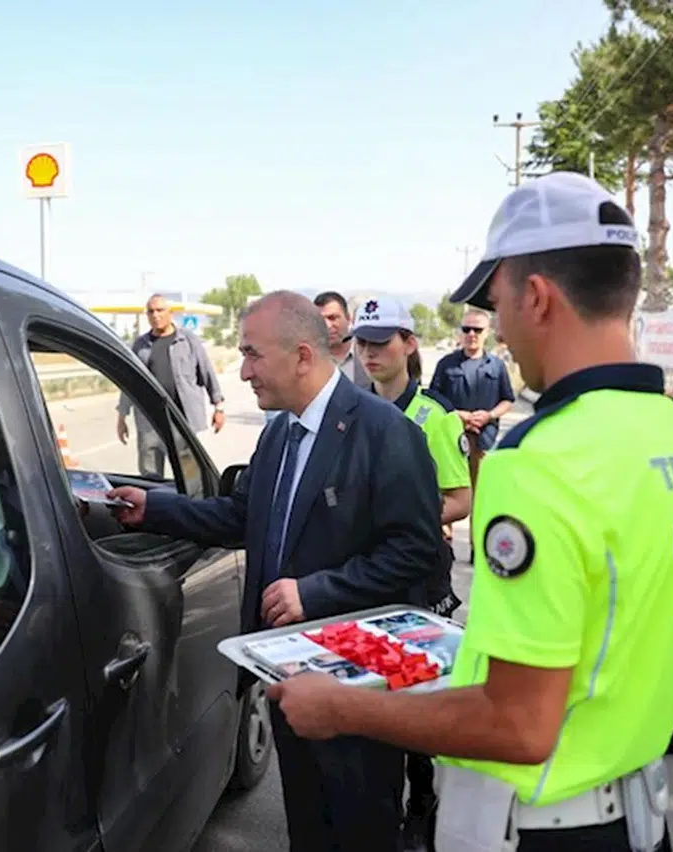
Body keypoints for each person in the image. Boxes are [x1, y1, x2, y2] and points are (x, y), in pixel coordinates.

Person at [266, 172, 673, 852]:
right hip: (638, 814)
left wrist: (340, 706)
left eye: (498, 303)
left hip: (543, 826)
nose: (501, 329)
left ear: (538, 297)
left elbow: (518, 726)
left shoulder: (540, 462)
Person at [107, 290, 446, 852]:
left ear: (304, 356)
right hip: (290, 681)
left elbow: (415, 552)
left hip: (357, 688)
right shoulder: (279, 433)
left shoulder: (386, 433)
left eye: (252, 355)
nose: (242, 372)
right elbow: (245, 516)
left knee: (362, 832)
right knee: (309, 830)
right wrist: (157, 508)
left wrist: (315, 592)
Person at [350, 295, 472, 851]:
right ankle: (378, 800)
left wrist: (403, 519)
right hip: (364, 571)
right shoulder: (350, 408)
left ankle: (422, 807)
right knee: (372, 686)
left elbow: (460, 497)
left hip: (417, 575)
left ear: (410, 344)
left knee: (416, 694)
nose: (371, 352)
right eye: (363, 342)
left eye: (383, 341)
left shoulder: (434, 414)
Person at [116, 294, 226, 477]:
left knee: (189, 476)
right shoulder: (140, 345)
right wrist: (122, 416)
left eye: (160, 310)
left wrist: (219, 408)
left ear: (170, 313)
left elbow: (207, 373)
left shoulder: (189, 341)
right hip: (150, 422)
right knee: (150, 475)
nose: (155, 315)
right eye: (151, 311)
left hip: (182, 421)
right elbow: (130, 381)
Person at [428, 308, 516, 488]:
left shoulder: (497, 366)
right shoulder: (446, 364)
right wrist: (458, 415)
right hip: (451, 438)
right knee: (450, 492)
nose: (471, 334)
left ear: (488, 332)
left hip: (484, 440)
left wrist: (489, 415)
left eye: (477, 330)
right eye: (466, 329)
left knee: (481, 492)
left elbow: (508, 400)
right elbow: (433, 399)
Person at [314, 290, 374, 389]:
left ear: (348, 318)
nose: (327, 325)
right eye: (321, 320)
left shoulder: (370, 352)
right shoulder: (311, 360)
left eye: (332, 318)